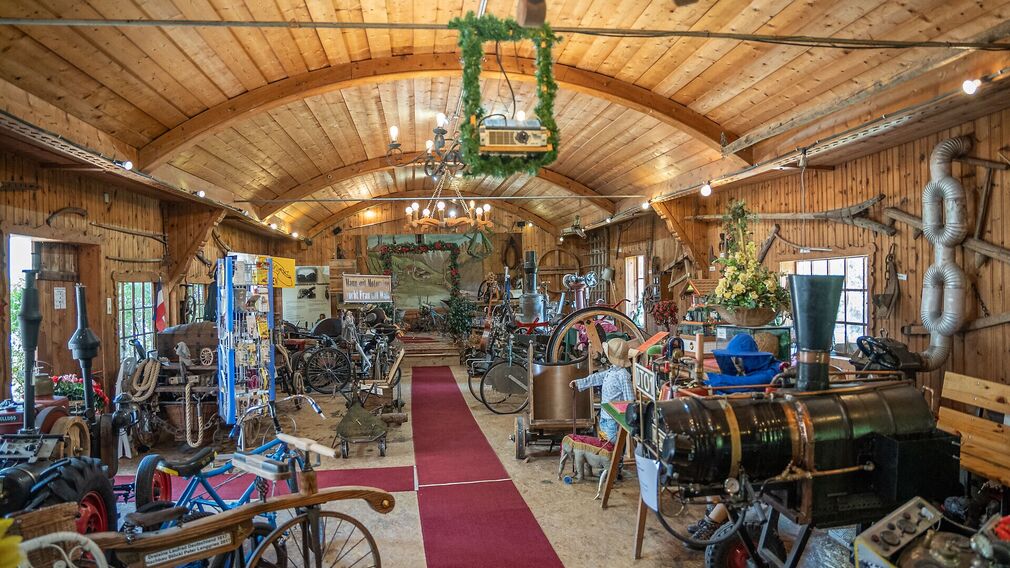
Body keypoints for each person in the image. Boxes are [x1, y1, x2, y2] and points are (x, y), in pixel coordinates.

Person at [568, 338, 640, 442]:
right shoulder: (612, 371)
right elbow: (596, 378)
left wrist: (631, 421)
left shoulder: (623, 375)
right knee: (604, 444)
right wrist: (578, 383)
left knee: (610, 446)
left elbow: (630, 399)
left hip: (613, 421)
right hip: (604, 416)